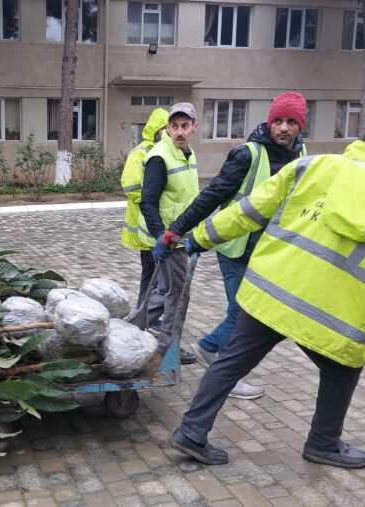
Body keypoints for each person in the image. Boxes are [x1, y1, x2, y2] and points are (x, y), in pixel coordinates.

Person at [169, 112, 365, 470]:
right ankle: (323, 443)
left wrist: (197, 239)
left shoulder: (309, 167)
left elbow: (247, 211)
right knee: (341, 372)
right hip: (327, 314)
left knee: (230, 363)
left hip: (270, 293)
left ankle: (191, 431)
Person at [158, 91, 309, 400]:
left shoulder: (301, 154)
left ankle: (214, 352)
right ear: (269, 122)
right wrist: (176, 230)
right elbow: (211, 196)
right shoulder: (247, 154)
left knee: (254, 313)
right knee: (241, 314)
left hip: (271, 250)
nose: (283, 127)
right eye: (277, 120)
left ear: (300, 125)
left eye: (290, 122)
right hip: (237, 248)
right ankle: (221, 363)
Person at [141, 103, 201, 365]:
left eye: (184, 126)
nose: (179, 132)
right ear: (167, 127)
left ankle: (130, 329)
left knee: (162, 291)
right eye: (174, 126)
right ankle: (168, 347)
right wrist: (159, 235)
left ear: (194, 128)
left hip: (182, 237)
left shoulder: (188, 153)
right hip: (169, 239)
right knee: (178, 294)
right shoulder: (160, 157)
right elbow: (147, 201)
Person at [120, 107, 169, 326]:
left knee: (152, 274)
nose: (169, 131)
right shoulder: (141, 153)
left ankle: (145, 313)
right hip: (145, 222)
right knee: (154, 274)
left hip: (156, 223)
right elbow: (130, 186)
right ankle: (149, 316)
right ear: (157, 129)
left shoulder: (165, 150)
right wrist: (151, 199)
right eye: (166, 127)